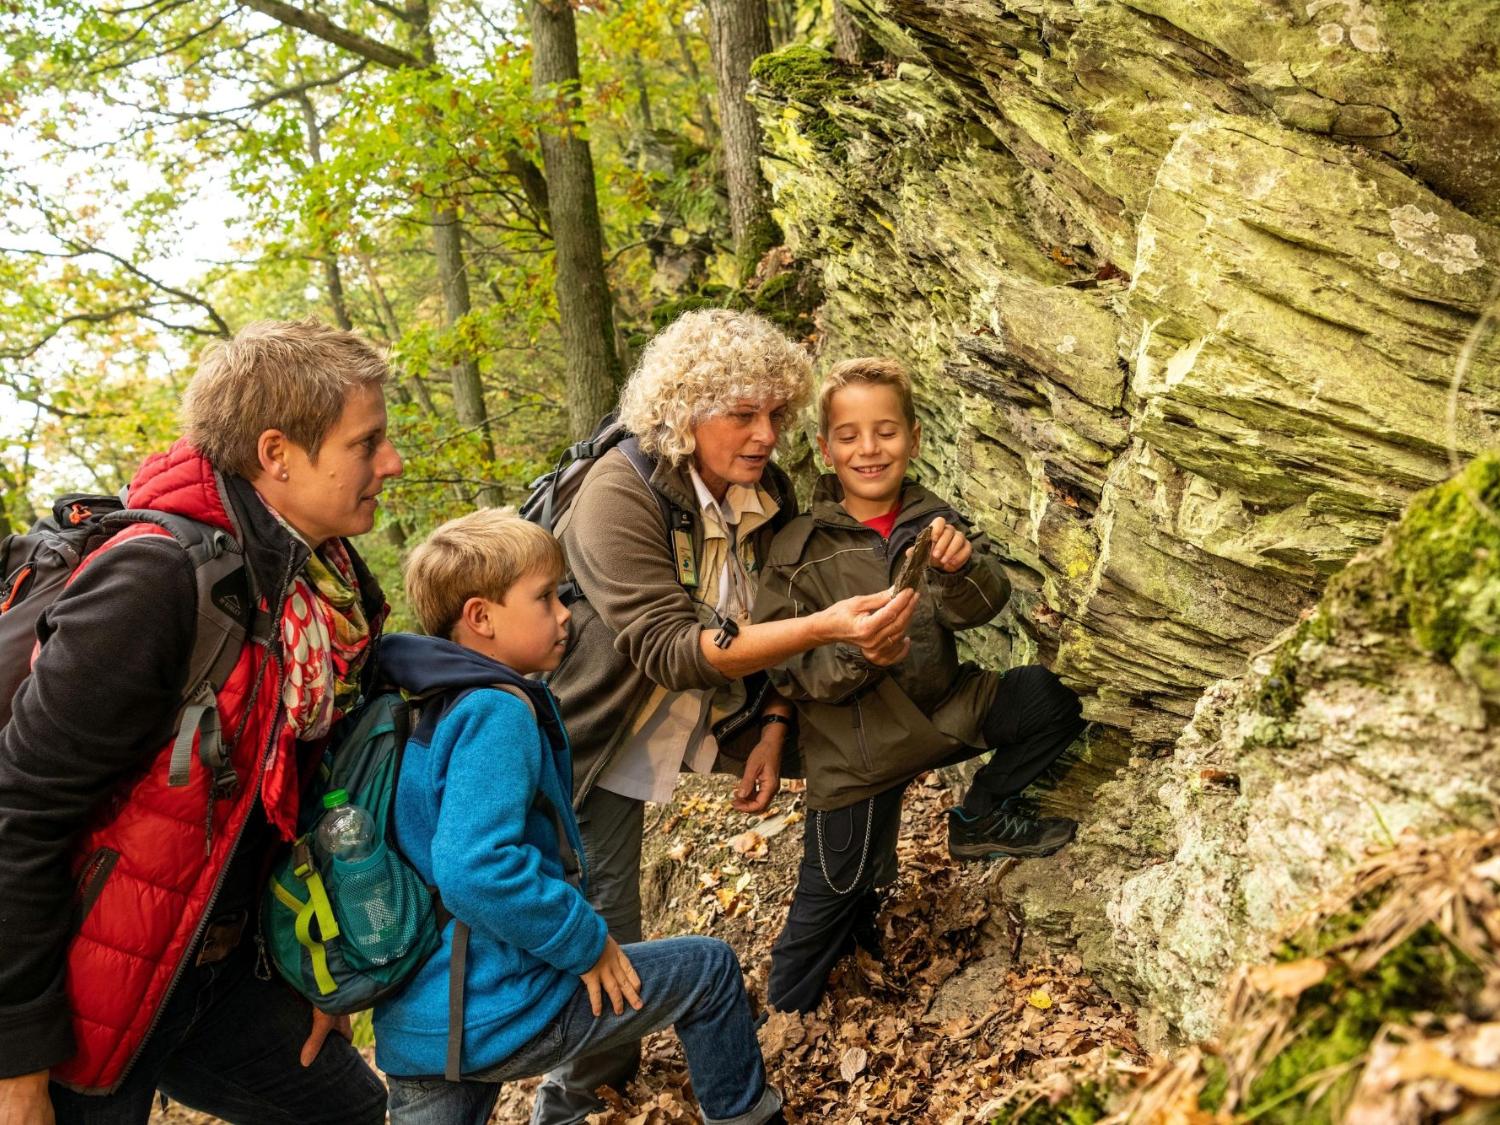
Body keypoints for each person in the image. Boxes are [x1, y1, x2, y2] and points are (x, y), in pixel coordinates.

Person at [0, 320, 401, 1124]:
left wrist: (321, 968)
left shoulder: (323, 586)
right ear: (277, 452)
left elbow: (279, 799)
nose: (390, 462)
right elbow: (18, 816)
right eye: (367, 443)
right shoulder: (158, 582)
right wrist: (17, 1068)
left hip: (216, 970)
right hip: (84, 994)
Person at [537, 309, 920, 1124]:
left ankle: (844, 918)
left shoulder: (765, 491)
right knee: (606, 922)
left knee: (865, 716)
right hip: (586, 738)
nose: (766, 434)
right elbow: (674, 649)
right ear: (683, 413)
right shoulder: (618, 493)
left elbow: (776, 616)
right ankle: (577, 1097)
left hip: (709, 710)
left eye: (777, 414)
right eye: (742, 414)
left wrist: (776, 724)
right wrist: (825, 627)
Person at [375, 510, 784, 1125]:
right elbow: (473, 868)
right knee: (709, 970)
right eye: (544, 598)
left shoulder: (424, 709)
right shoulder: (494, 711)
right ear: (481, 617)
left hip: (424, 1022)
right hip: (501, 1002)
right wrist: (585, 944)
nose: (565, 614)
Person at [752, 357, 1088, 1014]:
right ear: (825, 447)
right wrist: (862, 654)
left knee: (1055, 700)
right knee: (836, 896)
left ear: (913, 438)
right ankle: (780, 1023)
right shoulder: (798, 549)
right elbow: (790, 672)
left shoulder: (933, 517)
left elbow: (982, 606)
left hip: (947, 709)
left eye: (885, 431)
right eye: (848, 435)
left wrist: (962, 570)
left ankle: (982, 813)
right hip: (859, 752)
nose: (868, 449)